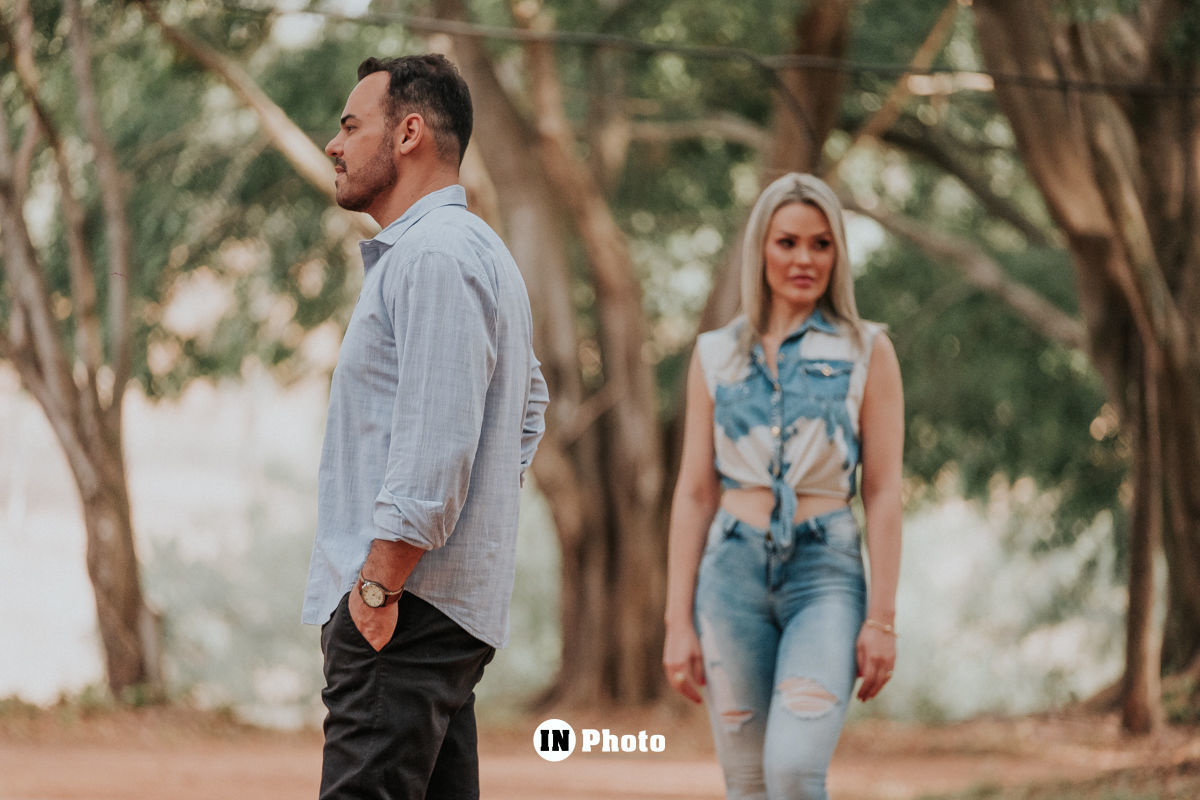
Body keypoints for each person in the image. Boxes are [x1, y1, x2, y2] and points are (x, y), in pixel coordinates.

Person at [301, 54, 548, 800]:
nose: (334, 145)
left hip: (403, 614)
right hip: (431, 614)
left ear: (408, 133)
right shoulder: (471, 251)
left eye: (351, 126)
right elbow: (528, 408)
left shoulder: (435, 254)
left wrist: (379, 586)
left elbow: (440, 442)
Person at [662, 173, 903, 800]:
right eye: (787, 242)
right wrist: (676, 621)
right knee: (747, 783)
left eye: (821, 244)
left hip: (826, 572)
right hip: (730, 575)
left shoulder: (867, 350)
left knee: (794, 771)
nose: (804, 259)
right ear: (760, 250)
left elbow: (882, 491)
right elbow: (695, 493)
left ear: (838, 254)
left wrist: (882, 620)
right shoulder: (715, 355)